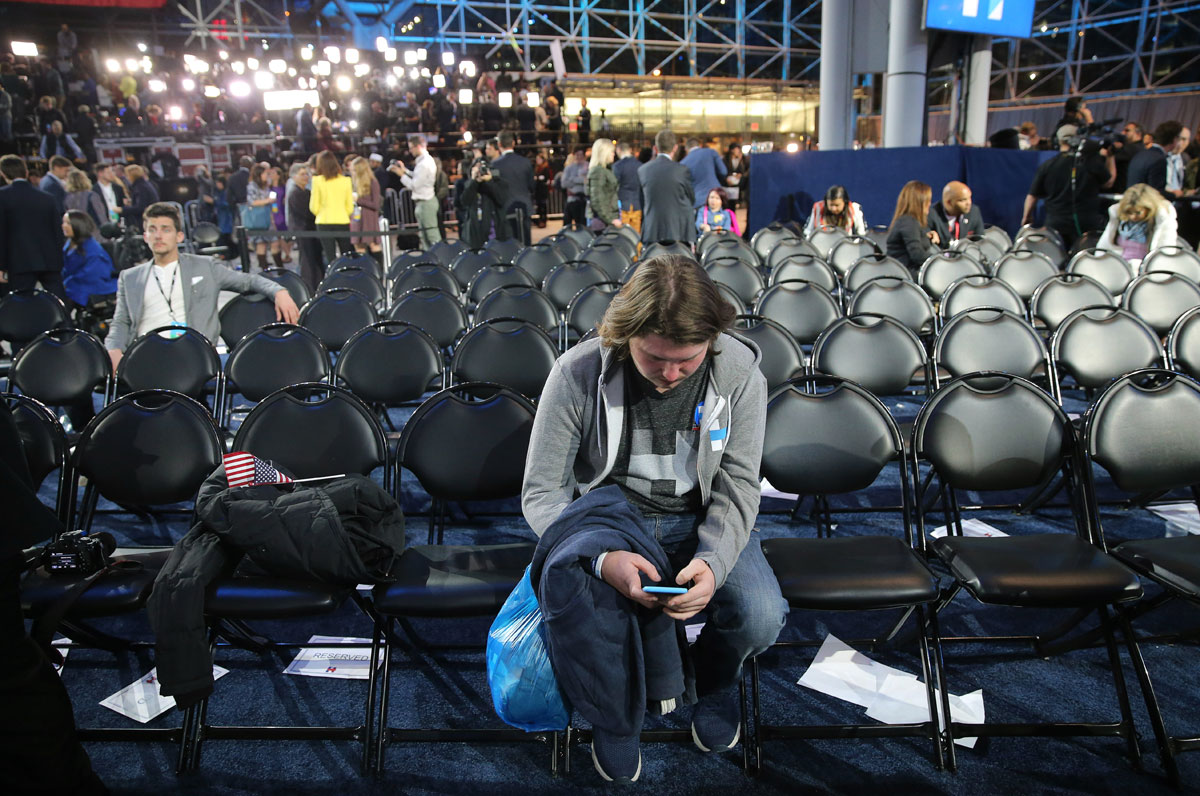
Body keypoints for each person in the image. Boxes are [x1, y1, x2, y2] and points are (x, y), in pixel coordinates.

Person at [522, 255, 786, 785]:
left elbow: (737, 487)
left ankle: (713, 682)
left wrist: (712, 562)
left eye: (686, 363)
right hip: (610, 521)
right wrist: (600, 559)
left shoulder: (739, 376)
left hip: (699, 517)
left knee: (760, 616)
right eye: (654, 359)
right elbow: (542, 492)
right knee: (597, 608)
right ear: (625, 336)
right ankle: (615, 714)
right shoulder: (577, 373)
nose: (670, 375)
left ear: (710, 342)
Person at [105, 202, 300, 371]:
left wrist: (279, 292)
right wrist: (114, 349)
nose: (158, 236)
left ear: (179, 236)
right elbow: (121, 321)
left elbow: (249, 280)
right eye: (152, 230)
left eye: (166, 229)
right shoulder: (129, 277)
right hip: (144, 353)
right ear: (145, 236)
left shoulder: (205, 267)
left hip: (193, 353)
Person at [1022, 124, 1116, 249]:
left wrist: (1027, 217)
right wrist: (1111, 157)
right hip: (1086, 225)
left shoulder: (1048, 165)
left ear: (1058, 141)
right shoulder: (1091, 162)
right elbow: (1108, 183)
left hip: (1054, 224)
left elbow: (1032, 195)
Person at [0, 155, 66, 300]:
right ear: (26, 172)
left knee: (21, 305)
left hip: (19, 262)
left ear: (3, 173)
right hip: (50, 260)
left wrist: (1, 266)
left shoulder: (3, 197)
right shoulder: (47, 197)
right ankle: (64, 323)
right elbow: (58, 231)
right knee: (58, 303)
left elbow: (2, 234)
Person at [638, 129, 696, 245]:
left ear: (655, 148)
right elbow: (691, 198)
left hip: (652, 231)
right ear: (675, 148)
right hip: (679, 232)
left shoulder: (643, 170)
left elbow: (642, 201)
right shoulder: (682, 170)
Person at [1097, 183, 1177, 263]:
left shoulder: (1161, 222)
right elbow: (1103, 249)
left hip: (1147, 270)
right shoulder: (1118, 220)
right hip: (1120, 267)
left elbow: (1165, 253)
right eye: (1129, 212)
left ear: (1149, 209)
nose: (1133, 217)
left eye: (1138, 212)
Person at [60, 209, 117, 308]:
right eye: (64, 222)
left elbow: (93, 274)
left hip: (93, 285)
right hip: (75, 283)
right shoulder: (70, 244)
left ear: (78, 225)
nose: (63, 226)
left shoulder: (92, 249)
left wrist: (68, 282)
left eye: (68, 223)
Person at [392, 134, 441, 249]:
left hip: (426, 203)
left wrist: (401, 175)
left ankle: (440, 261)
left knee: (432, 236)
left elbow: (414, 185)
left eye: (411, 148)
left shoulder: (425, 163)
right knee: (424, 236)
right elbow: (417, 177)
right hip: (423, 203)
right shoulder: (423, 162)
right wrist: (405, 171)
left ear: (418, 147)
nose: (410, 151)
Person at [458, 149, 510, 249]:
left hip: (493, 229)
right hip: (475, 232)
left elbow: (501, 199)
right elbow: (464, 201)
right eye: (476, 168)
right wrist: (474, 181)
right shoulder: (469, 184)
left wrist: (489, 181)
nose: (480, 171)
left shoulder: (498, 183)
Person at [309, 149, 354, 265]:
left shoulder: (317, 181)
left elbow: (314, 206)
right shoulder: (346, 181)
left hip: (324, 221)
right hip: (342, 220)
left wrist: (321, 212)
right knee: (346, 254)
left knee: (330, 257)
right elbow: (350, 206)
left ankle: (332, 280)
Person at [490, 130, 535, 244]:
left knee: (509, 246)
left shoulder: (495, 165)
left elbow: (494, 188)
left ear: (499, 144)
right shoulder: (525, 162)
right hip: (524, 206)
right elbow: (531, 185)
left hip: (504, 209)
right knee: (526, 245)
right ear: (513, 143)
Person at [886, 180, 939, 272]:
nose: (930, 204)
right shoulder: (908, 222)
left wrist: (927, 237)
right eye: (927, 201)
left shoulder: (910, 221)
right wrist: (941, 259)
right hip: (905, 275)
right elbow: (917, 255)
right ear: (919, 202)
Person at [286, 164, 323, 293]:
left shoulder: (307, 192)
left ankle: (318, 285)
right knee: (307, 261)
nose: (305, 177)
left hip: (311, 230)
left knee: (315, 259)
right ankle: (309, 288)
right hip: (303, 231)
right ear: (294, 176)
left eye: (307, 174)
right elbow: (306, 213)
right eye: (302, 174)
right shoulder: (294, 193)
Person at [1126, 120, 1180, 195]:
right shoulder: (1159, 159)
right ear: (1174, 139)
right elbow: (1156, 193)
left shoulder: (1140, 154)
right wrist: (1175, 195)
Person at [927, 181, 984, 249]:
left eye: (969, 198)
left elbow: (980, 241)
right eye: (963, 200)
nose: (969, 203)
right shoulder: (931, 214)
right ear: (949, 202)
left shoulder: (974, 212)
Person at [350, 156, 382, 263]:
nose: (352, 173)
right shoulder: (353, 183)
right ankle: (362, 274)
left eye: (354, 170)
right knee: (359, 247)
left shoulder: (373, 182)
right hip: (356, 218)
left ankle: (379, 274)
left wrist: (359, 200)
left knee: (374, 246)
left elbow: (376, 205)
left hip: (369, 219)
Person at [680, 138, 727, 210]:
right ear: (700, 145)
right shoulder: (711, 152)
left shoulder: (683, 163)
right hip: (716, 196)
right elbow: (723, 172)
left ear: (686, 149)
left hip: (697, 201)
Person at [587, 138, 622, 232]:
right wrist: (610, 220)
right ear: (604, 153)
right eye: (611, 152)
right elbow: (597, 200)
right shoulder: (598, 171)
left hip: (608, 220)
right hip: (602, 223)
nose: (613, 154)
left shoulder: (606, 169)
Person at [612, 141, 642, 236]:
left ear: (618, 150)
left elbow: (614, 186)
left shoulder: (617, 166)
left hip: (623, 204)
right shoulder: (640, 165)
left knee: (623, 234)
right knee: (636, 234)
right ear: (630, 150)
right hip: (637, 204)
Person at [122, 164, 159, 231]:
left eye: (127, 175)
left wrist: (122, 210)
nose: (126, 178)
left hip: (147, 220)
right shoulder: (143, 184)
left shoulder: (140, 187)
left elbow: (140, 208)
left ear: (132, 175)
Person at [559, 148, 589, 229]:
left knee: (582, 226)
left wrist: (572, 179)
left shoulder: (588, 166)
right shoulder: (569, 168)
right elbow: (564, 183)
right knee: (567, 225)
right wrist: (580, 179)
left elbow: (588, 181)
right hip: (572, 199)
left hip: (584, 200)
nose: (579, 157)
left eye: (581, 155)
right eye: (577, 155)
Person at [1113, 121, 1145, 192]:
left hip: (1121, 189)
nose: (1123, 133)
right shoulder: (1140, 148)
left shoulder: (1133, 148)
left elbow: (1114, 156)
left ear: (1138, 134)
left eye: (1127, 130)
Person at [1165, 126, 1193, 199]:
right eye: (1178, 138)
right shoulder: (1161, 156)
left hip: (1179, 201)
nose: (1180, 143)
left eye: (1184, 139)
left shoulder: (1185, 158)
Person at [722, 144, 748, 213]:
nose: (738, 151)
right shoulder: (725, 160)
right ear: (732, 150)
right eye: (737, 149)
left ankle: (733, 219)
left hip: (736, 186)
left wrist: (740, 160)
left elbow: (744, 171)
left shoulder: (742, 159)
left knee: (733, 205)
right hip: (727, 185)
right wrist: (726, 178)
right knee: (727, 205)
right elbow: (722, 171)